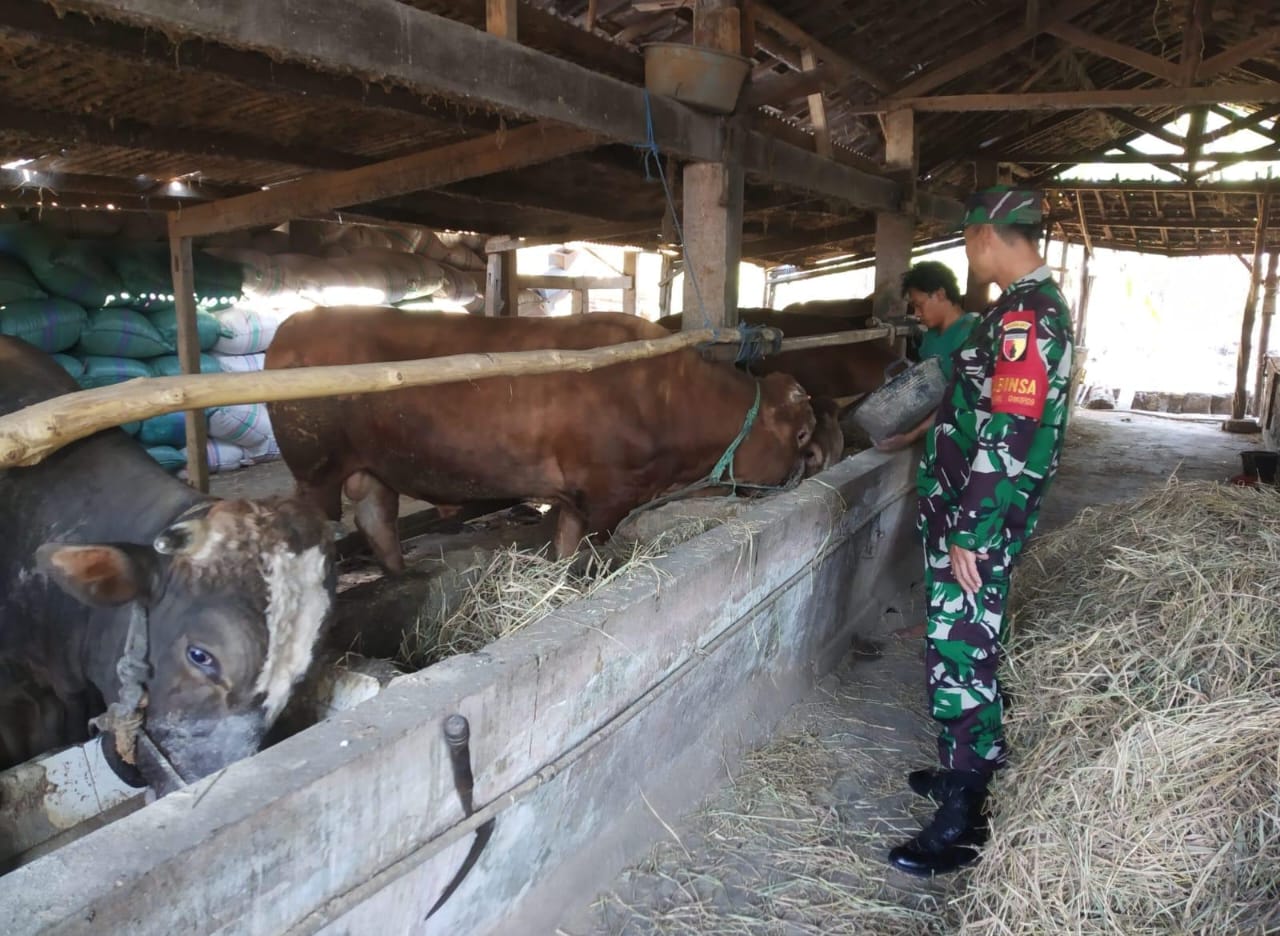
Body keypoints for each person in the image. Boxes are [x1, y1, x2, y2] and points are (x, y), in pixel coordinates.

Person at [886, 186, 1075, 877]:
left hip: (980, 517)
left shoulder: (1027, 316)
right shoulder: (1018, 309)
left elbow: (1010, 431)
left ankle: (962, 818)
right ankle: (966, 766)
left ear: (983, 238)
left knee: (960, 650)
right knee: (967, 640)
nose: (967, 253)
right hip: (972, 509)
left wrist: (972, 529)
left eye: (967, 240)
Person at [874, 261, 978, 452]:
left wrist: (911, 436)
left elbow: (957, 398)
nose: (917, 313)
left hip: (962, 440)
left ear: (940, 294)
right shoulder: (930, 336)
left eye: (919, 305)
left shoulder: (971, 331)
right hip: (934, 437)